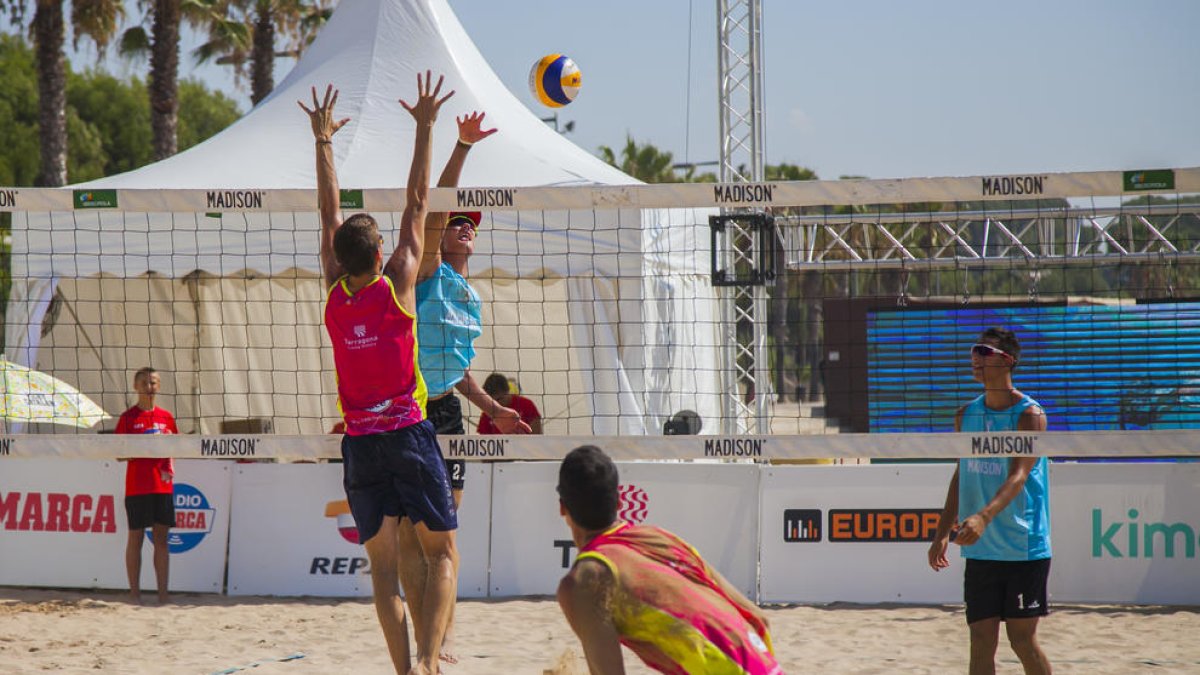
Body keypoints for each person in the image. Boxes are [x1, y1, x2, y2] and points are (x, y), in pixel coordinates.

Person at [301, 73, 456, 675]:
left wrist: (323, 142)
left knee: (385, 572)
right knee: (443, 555)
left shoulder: (334, 293)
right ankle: (426, 660)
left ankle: (406, 671)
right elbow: (420, 202)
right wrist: (424, 127)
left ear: (341, 259)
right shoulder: (398, 284)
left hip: (361, 443)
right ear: (379, 253)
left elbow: (327, 210)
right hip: (409, 434)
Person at [401, 109, 531, 668]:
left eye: (474, 224)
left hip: (447, 410)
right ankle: (424, 642)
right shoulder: (427, 270)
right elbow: (433, 206)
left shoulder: (465, 292)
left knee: (446, 535)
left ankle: (443, 640)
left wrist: (495, 408)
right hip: (410, 409)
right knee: (416, 537)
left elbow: (456, 370)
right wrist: (461, 147)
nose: (467, 226)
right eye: (460, 222)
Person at [556, 445, 782, 674]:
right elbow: (758, 619)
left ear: (562, 507)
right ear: (619, 503)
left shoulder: (585, 580)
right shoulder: (662, 539)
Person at [928, 327, 1052, 675]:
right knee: (981, 641)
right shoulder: (965, 415)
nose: (975, 358)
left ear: (1007, 360)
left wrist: (982, 517)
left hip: (1022, 547)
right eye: (974, 351)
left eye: (984, 351)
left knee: (1022, 641)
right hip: (981, 550)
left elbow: (1019, 477)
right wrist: (941, 532)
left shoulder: (1030, 415)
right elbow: (961, 475)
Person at [116, 366, 179, 605]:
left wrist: (166, 446)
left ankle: (163, 595)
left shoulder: (166, 417)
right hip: (137, 487)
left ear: (159, 386)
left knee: (162, 541)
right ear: (136, 387)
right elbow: (118, 454)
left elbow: (178, 447)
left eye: (153, 383)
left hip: (162, 487)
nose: (149, 387)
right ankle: (134, 595)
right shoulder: (128, 418)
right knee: (136, 539)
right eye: (144, 383)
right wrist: (138, 449)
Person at [477, 372, 542, 434]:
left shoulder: (527, 405)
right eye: (492, 401)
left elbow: (537, 437)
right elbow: (483, 440)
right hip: (499, 445)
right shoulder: (489, 410)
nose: (497, 403)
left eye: (499, 399)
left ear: (508, 391)